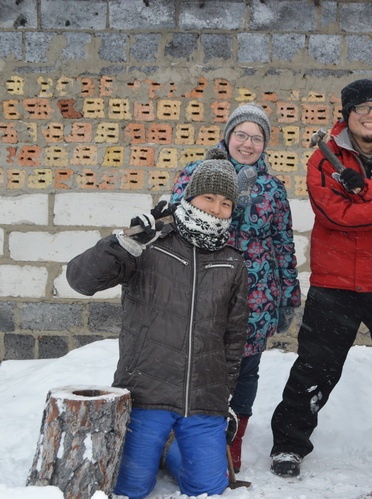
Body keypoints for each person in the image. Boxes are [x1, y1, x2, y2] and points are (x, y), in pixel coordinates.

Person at [269, 78, 372, 477]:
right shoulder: (323, 159)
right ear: (347, 115)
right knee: (314, 368)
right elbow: (333, 214)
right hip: (335, 284)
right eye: (362, 108)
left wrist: (363, 193)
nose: (370, 115)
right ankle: (289, 444)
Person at [66, 151, 248, 498]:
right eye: (208, 197)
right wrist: (124, 243)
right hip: (145, 393)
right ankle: (163, 450)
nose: (216, 208)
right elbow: (80, 280)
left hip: (203, 400)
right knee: (131, 487)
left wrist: (222, 394)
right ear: (190, 198)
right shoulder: (150, 245)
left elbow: (234, 335)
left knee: (208, 489)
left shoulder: (232, 262)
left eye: (225, 203)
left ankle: (173, 452)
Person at [171, 103, 301, 473]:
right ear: (228, 135)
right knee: (201, 364)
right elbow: (176, 223)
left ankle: (234, 440)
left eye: (256, 138)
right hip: (205, 286)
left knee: (245, 368)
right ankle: (196, 437)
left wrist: (288, 296)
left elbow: (283, 243)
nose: (247, 144)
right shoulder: (197, 172)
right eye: (241, 134)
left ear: (265, 144)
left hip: (256, 293)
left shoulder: (273, 188)